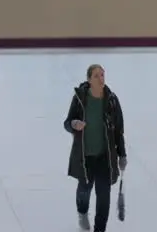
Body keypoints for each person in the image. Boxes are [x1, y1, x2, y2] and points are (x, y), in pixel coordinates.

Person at [63, 64, 126, 232]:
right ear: (89, 80)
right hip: (85, 157)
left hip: (105, 157)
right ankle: (82, 212)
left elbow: (119, 130)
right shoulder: (80, 99)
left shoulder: (112, 100)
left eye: (103, 75)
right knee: (84, 190)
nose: (101, 78)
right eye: (97, 76)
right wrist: (74, 124)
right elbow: (67, 123)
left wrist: (122, 155)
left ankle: (100, 229)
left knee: (104, 198)